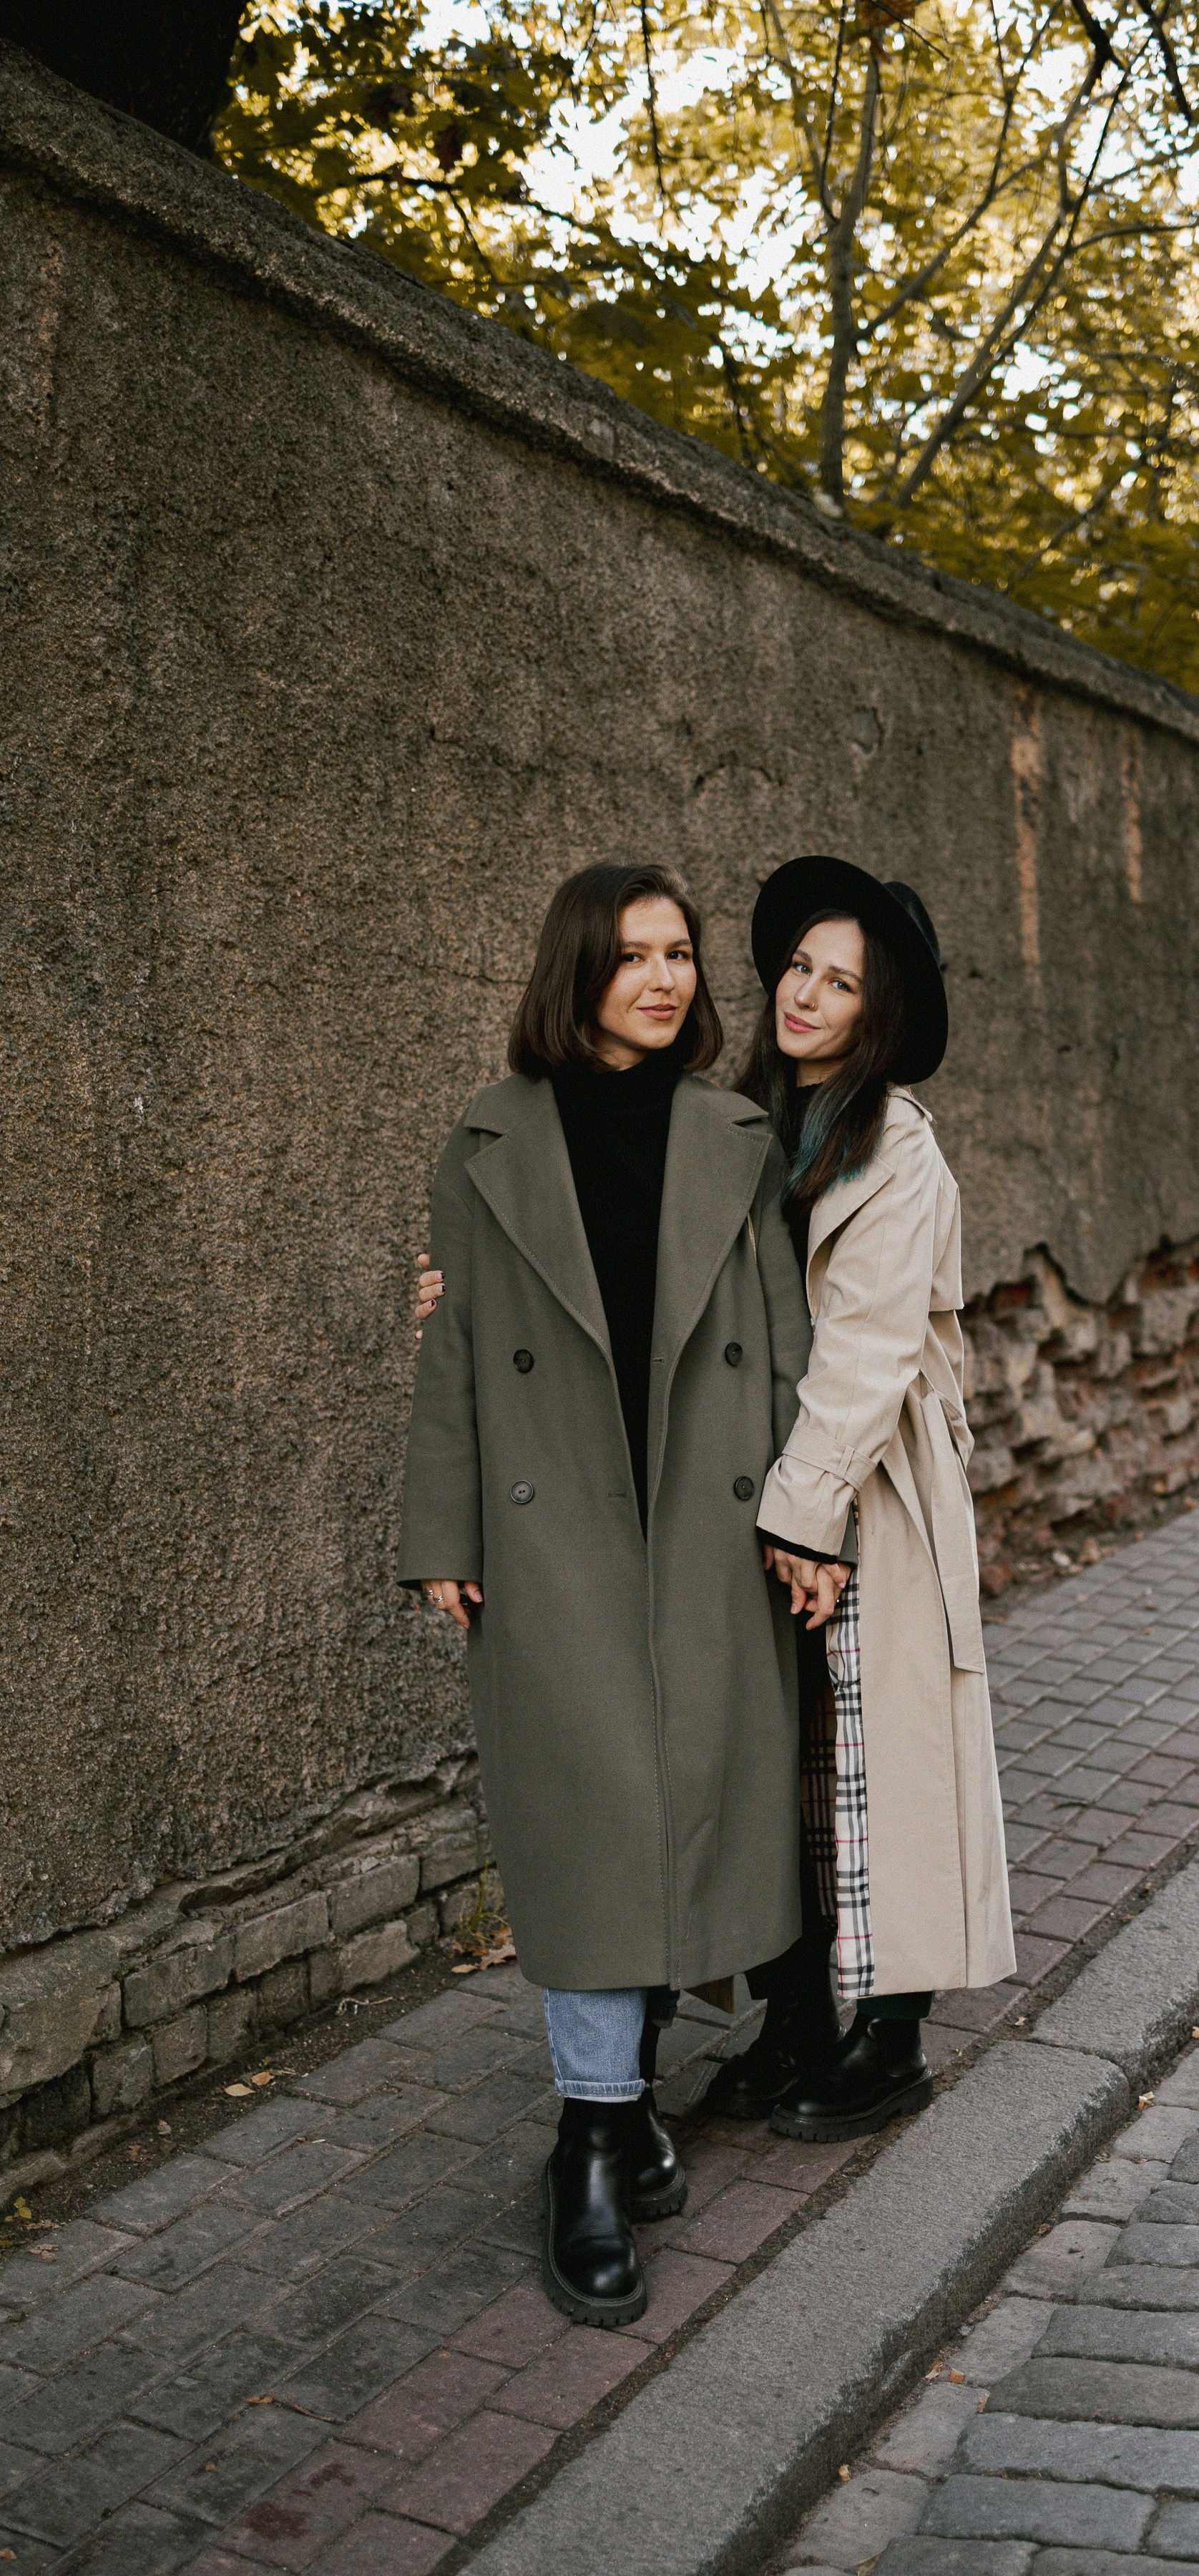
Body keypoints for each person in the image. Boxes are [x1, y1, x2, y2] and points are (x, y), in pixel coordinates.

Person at [398, 861, 811, 2328]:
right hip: (552, 1532)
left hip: (709, 1525)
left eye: (682, 954)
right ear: (574, 971)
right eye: (633, 953)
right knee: (595, 1828)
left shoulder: (734, 1133)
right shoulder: (488, 1135)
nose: (664, 977)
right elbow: (452, 1351)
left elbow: (787, 1341)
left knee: (675, 1816)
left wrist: (807, 1522)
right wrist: (443, 1526)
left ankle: (619, 2109)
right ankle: (589, 2135)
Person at [714, 854, 1016, 2138]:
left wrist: (809, 1520)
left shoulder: (896, 1151)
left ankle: (889, 2044)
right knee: (769, 1764)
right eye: (799, 969)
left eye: (840, 983)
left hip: (871, 1496)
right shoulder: (738, 1125)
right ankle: (790, 2027)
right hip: (760, 1483)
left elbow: (870, 1352)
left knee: (881, 1767)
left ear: (874, 1014)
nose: (808, 996)